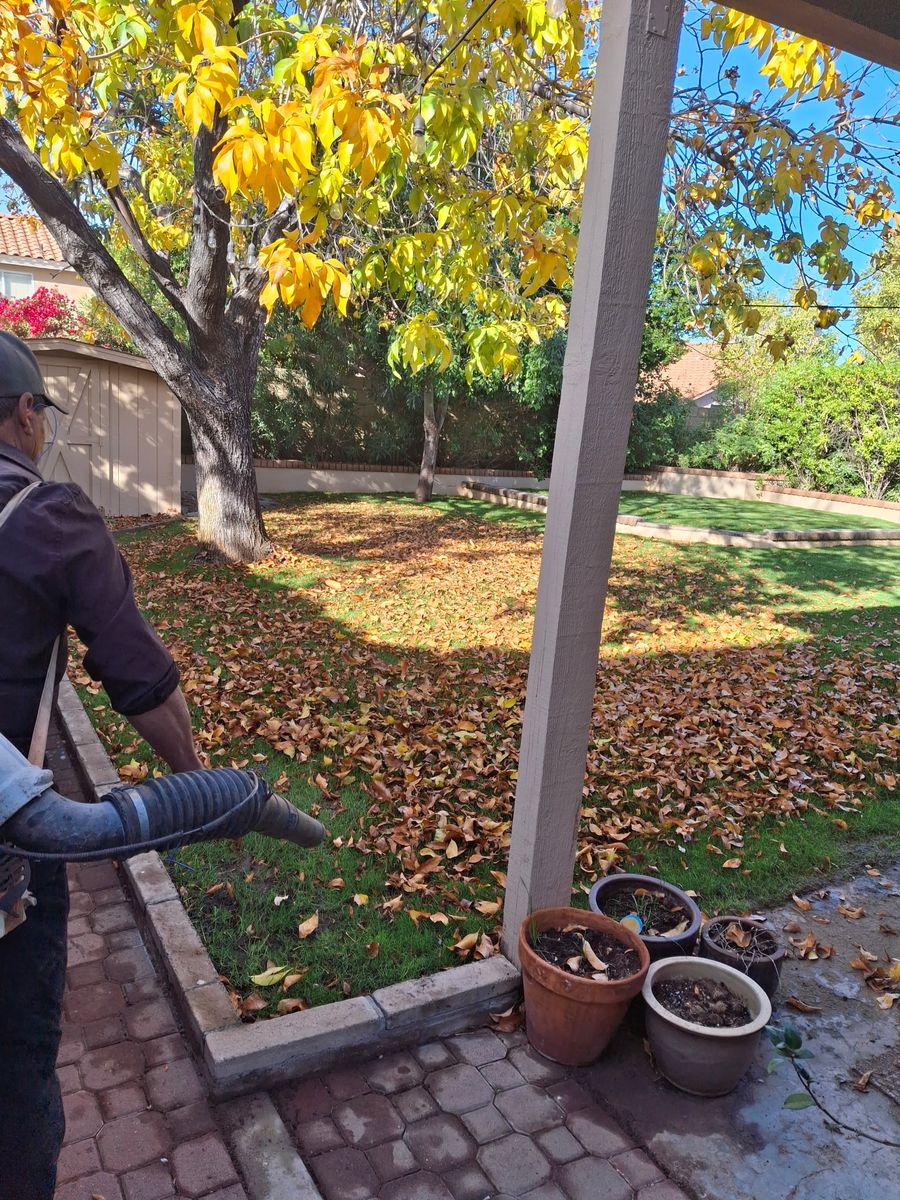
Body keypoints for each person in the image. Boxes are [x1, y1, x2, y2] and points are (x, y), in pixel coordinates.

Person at [0, 331, 204, 1200]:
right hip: (11, 862)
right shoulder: (48, 519)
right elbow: (138, 676)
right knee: (17, 1083)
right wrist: (201, 779)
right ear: (23, 414)